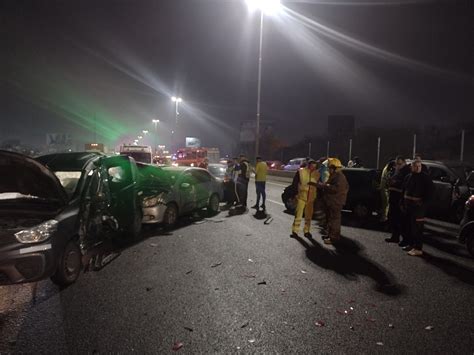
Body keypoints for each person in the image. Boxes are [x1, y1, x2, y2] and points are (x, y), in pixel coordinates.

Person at [401, 160, 434, 256]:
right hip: (408, 206)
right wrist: (402, 203)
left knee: (417, 229)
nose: (417, 168)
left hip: (418, 208)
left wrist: (423, 203)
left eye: (419, 166)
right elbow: (404, 191)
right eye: (415, 166)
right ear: (411, 167)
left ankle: (418, 248)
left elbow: (431, 193)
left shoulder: (425, 178)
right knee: (409, 227)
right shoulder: (408, 177)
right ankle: (411, 245)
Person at [318, 158, 349, 244]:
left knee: (335, 220)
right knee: (330, 220)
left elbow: (335, 189)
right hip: (332, 201)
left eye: (330, 168)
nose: (328, 170)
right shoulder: (335, 175)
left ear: (335, 168)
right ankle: (329, 235)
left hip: (336, 202)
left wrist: (325, 185)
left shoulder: (340, 177)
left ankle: (334, 238)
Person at [291, 159, 320, 238]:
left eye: (314, 166)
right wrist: (295, 194)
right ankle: (295, 231)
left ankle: (307, 231)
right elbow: (294, 183)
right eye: (311, 166)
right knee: (298, 215)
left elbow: (319, 186)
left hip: (311, 198)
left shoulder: (317, 174)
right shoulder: (301, 171)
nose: (313, 168)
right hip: (301, 196)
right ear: (308, 165)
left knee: (309, 216)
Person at [385, 156, 411, 244]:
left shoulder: (407, 171)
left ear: (404, 163)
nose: (397, 165)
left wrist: (394, 182)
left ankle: (405, 239)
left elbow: (405, 184)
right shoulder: (397, 170)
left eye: (399, 164)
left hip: (400, 199)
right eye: (396, 163)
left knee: (401, 220)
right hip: (393, 198)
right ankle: (394, 237)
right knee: (393, 218)